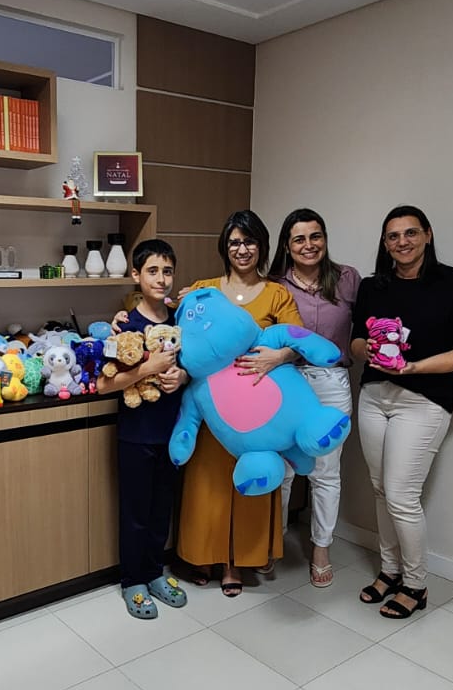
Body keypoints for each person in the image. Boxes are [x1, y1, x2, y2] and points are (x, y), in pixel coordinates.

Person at [351, 205, 453, 619]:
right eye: (393, 236)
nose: (402, 242)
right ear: (385, 243)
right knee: (380, 489)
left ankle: (416, 584)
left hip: (423, 401)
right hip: (374, 396)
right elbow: (355, 341)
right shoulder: (373, 286)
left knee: (402, 495)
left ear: (428, 235)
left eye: (411, 233)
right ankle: (389, 571)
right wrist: (368, 349)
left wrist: (414, 367)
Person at [176, 210, 303, 596]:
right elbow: (176, 328)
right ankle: (203, 555)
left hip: (256, 409)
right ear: (224, 247)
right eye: (234, 242)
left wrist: (278, 356)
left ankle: (236, 561)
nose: (242, 249)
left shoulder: (277, 293)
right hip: (210, 406)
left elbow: (296, 340)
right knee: (207, 483)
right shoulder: (204, 289)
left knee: (249, 480)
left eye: (249, 242)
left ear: (261, 246)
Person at [97, 239, 190, 620]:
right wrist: (147, 370)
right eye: (152, 271)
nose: (161, 279)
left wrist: (181, 377)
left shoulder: (181, 321)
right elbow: (103, 384)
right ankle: (132, 581)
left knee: (161, 510)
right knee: (135, 512)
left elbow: (194, 368)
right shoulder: (124, 325)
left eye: (167, 271)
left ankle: (154, 573)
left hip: (173, 433)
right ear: (136, 275)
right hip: (135, 434)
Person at [269, 209, 360, 587]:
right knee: (284, 470)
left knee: (326, 471)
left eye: (315, 236)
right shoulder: (275, 285)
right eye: (299, 239)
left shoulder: (348, 279)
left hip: (332, 382)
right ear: (287, 246)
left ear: (324, 238)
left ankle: (321, 547)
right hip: (287, 382)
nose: (309, 245)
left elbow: (369, 324)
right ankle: (273, 542)